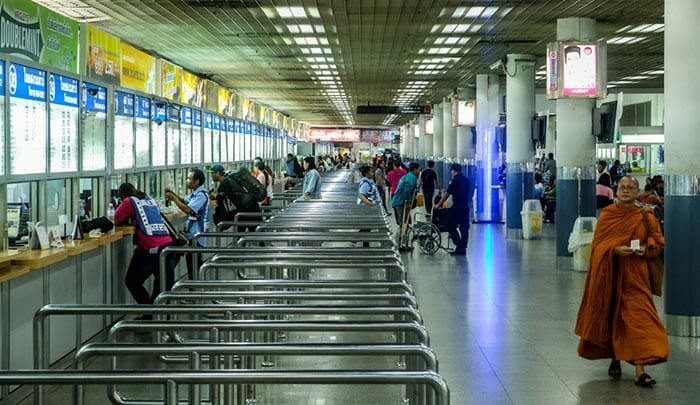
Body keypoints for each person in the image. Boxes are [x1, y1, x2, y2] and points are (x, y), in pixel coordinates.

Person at [575, 176, 667, 388]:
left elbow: (658, 240)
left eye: (630, 188)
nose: (626, 191)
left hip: (636, 276)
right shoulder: (608, 215)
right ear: (616, 192)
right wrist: (614, 250)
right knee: (611, 314)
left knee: (640, 318)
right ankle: (615, 357)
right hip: (611, 274)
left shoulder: (646, 215)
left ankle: (640, 369)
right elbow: (598, 247)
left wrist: (647, 248)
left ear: (637, 192)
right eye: (622, 187)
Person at [114, 183, 177, 307]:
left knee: (132, 281)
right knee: (162, 283)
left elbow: (116, 218)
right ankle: (157, 314)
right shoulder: (148, 199)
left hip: (150, 247)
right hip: (168, 244)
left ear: (122, 196)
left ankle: (149, 312)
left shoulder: (129, 201)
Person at [164, 168, 209, 280]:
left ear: (197, 181)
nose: (187, 181)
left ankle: (195, 290)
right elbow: (184, 201)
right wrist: (173, 194)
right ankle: (194, 288)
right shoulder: (195, 194)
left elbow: (188, 209)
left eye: (189, 178)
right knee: (192, 264)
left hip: (196, 236)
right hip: (191, 235)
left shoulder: (201, 195)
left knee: (194, 265)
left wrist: (173, 198)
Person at [436, 163, 470, 256]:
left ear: (453, 171)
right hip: (465, 207)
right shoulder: (466, 180)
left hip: (457, 207)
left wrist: (439, 204)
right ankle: (463, 247)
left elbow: (447, 193)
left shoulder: (454, 180)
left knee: (450, 226)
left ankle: (459, 246)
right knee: (464, 227)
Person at [391, 162, 420, 250]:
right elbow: (407, 191)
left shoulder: (407, 176)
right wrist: (408, 202)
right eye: (419, 169)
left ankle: (403, 243)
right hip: (401, 203)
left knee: (406, 223)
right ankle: (400, 244)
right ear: (415, 169)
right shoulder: (411, 178)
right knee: (404, 224)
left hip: (398, 202)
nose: (419, 171)